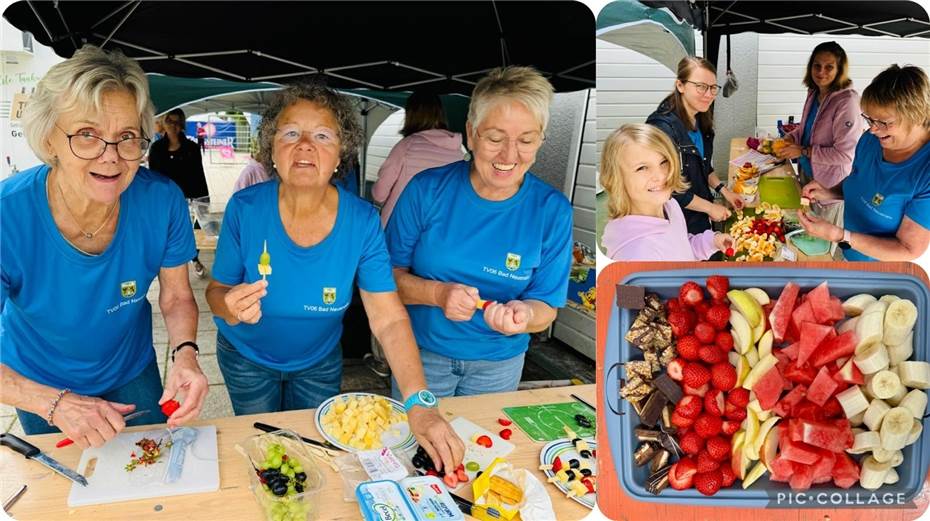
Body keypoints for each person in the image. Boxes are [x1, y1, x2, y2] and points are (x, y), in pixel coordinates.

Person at [205, 83, 464, 472]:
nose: (305, 144)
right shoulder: (245, 207)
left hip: (318, 363)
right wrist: (227, 304)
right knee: (264, 456)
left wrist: (419, 402)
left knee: (310, 458)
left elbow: (388, 316)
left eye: (322, 135)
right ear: (271, 148)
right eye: (291, 133)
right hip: (247, 359)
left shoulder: (361, 221)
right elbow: (215, 292)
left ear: (340, 152)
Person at [0, 45, 208, 445]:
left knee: (147, 473)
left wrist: (185, 353)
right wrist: (56, 404)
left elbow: (178, 296)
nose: (110, 157)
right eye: (87, 135)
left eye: (127, 137)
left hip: (131, 369)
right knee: (63, 496)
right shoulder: (9, 216)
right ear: (49, 138)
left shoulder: (161, 201)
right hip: (37, 382)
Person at [384, 66, 573, 397]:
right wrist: (437, 295)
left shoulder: (552, 210)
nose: (509, 155)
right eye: (496, 138)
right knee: (412, 445)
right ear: (471, 134)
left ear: (540, 139)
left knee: (486, 447)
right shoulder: (427, 190)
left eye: (526, 140)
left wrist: (525, 314)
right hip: (420, 355)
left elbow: (546, 307)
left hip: (499, 366)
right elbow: (384, 279)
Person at [800, 64, 930, 261]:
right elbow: (859, 182)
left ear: (917, 116)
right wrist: (829, 191)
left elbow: (908, 249)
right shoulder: (870, 141)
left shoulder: (925, 173)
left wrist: (840, 235)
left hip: (881, 274)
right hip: (846, 253)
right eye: (870, 119)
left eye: (884, 122)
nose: (873, 130)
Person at [600, 124, 734, 260]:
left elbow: (682, 249)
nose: (661, 176)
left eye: (664, 162)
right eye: (642, 168)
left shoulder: (670, 205)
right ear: (615, 179)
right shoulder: (638, 256)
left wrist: (712, 241)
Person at [776, 41, 863, 241]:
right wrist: (792, 136)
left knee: (823, 239)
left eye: (829, 67)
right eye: (817, 65)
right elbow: (807, 128)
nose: (821, 72)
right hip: (807, 174)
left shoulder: (847, 102)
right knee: (806, 228)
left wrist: (803, 151)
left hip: (830, 186)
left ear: (840, 70)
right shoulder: (815, 92)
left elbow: (845, 154)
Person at [646, 56, 740, 235]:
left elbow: (703, 166)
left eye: (713, 88)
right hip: (674, 222)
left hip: (699, 212)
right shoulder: (661, 129)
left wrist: (724, 191)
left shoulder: (701, 118)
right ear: (680, 85)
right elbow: (666, 187)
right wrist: (710, 208)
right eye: (701, 87)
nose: (709, 95)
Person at [372, 90, 464, 227]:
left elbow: (380, 193)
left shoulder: (407, 146)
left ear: (411, 115)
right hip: (438, 228)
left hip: (400, 225)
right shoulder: (457, 152)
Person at [149, 108, 209, 277]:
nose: (173, 126)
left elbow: (199, 174)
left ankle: (194, 258)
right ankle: (169, 265)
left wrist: (204, 200)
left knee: (193, 231)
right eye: (170, 121)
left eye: (177, 122)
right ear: (163, 123)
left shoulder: (192, 148)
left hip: (190, 197)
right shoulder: (156, 149)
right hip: (165, 200)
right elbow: (153, 178)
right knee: (167, 232)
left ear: (182, 124)